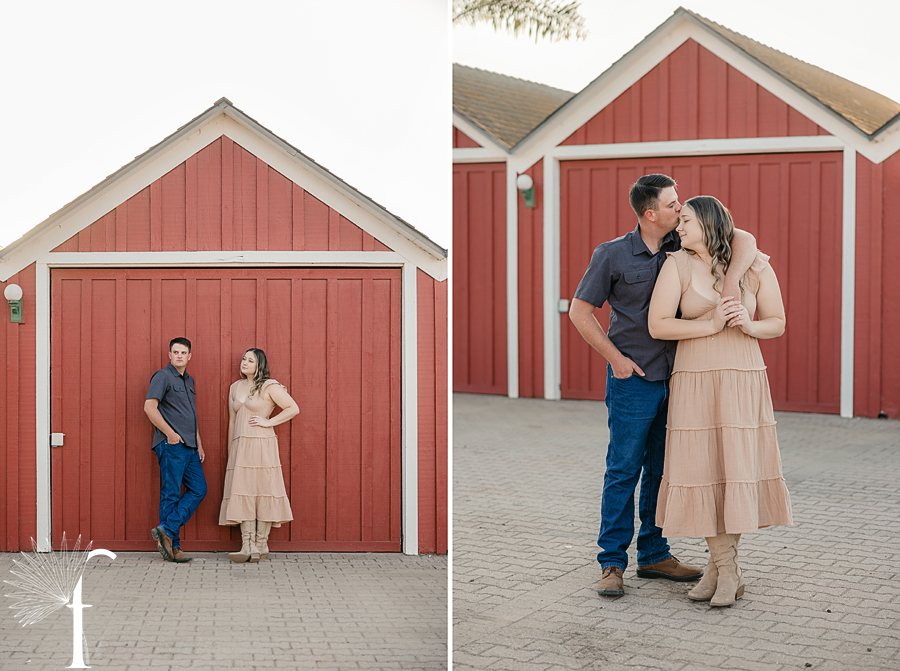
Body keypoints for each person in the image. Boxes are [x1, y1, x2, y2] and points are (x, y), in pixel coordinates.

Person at [568, 174, 758, 597]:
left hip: (682, 378)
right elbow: (580, 312)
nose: (680, 208)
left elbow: (743, 238)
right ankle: (612, 563)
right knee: (624, 470)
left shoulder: (683, 244)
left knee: (663, 470)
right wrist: (615, 360)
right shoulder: (612, 254)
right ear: (650, 213)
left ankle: (654, 555)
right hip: (634, 380)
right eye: (673, 204)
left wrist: (730, 286)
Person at [648, 195, 793, 607]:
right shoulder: (676, 264)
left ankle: (722, 570)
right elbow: (658, 325)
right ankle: (728, 569)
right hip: (695, 377)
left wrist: (749, 325)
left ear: (709, 224)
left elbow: (778, 322)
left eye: (687, 220)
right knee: (702, 469)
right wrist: (711, 324)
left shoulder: (754, 266)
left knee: (734, 471)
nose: (679, 227)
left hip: (743, 376)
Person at [219, 348, 298, 563]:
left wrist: (268, 422)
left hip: (262, 444)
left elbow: (292, 408)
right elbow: (232, 421)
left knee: (264, 490)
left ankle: (261, 544)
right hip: (241, 446)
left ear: (259, 365)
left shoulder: (268, 386)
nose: (244, 362)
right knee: (243, 490)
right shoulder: (235, 387)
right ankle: (248, 545)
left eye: (250, 360)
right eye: (243, 359)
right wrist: (231, 450)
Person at [144, 337, 208, 563]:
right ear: (169, 355)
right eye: (176, 352)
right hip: (172, 445)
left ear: (190, 356)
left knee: (199, 489)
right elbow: (149, 407)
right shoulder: (162, 376)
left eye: (183, 352)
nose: (180, 356)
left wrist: (199, 443)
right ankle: (174, 547)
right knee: (171, 493)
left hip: (190, 447)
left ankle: (167, 530)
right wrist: (170, 434)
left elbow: (191, 415)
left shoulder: (189, 380)